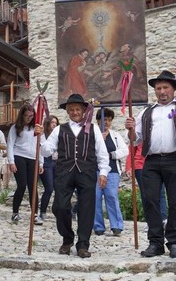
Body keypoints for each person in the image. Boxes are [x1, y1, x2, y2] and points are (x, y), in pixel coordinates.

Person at [125, 70, 176, 259]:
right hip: (151, 161)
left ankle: (174, 243)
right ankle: (155, 243)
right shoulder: (146, 112)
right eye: (158, 88)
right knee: (150, 201)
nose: (161, 91)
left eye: (165, 88)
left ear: (173, 89)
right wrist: (130, 129)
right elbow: (135, 138)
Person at [39, 94, 110, 259]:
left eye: (77, 109)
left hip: (87, 172)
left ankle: (83, 244)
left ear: (84, 110)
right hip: (64, 172)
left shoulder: (93, 129)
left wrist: (104, 173)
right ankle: (67, 238)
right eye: (71, 109)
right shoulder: (59, 129)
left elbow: (102, 153)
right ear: (67, 111)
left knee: (86, 209)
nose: (75, 112)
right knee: (60, 206)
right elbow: (46, 151)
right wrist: (40, 137)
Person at [93, 108, 128, 236]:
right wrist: (98, 140)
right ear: (98, 121)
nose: (106, 122)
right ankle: (98, 226)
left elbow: (124, 150)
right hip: (95, 171)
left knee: (112, 197)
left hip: (112, 171)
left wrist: (111, 154)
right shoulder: (93, 134)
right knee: (95, 198)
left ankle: (116, 225)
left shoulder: (115, 135)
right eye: (104, 120)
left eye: (108, 120)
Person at [7, 104, 44, 224]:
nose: (29, 118)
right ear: (22, 115)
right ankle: (15, 212)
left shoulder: (37, 128)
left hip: (33, 158)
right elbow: (10, 145)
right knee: (22, 185)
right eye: (26, 116)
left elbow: (41, 145)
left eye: (31, 116)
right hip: (19, 156)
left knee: (33, 187)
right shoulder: (15, 128)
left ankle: (35, 214)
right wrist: (11, 161)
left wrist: (41, 163)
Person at [125, 141, 168, 230]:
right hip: (140, 166)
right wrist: (128, 166)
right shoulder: (139, 129)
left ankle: (163, 218)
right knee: (146, 194)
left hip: (158, 163)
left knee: (161, 192)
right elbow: (132, 149)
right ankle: (151, 221)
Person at [39, 115, 60, 221]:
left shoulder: (58, 135)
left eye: (56, 123)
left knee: (58, 188)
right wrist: (40, 164)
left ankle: (57, 211)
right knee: (49, 188)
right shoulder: (44, 135)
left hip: (56, 164)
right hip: (46, 163)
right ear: (48, 123)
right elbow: (41, 150)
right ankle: (42, 211)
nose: (54, 125)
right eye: (52, 122)